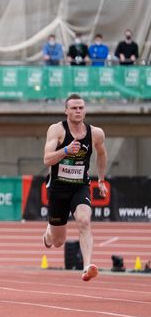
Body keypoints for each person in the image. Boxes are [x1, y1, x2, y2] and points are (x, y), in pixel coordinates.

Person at [42, 94, 107, 282]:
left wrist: (101, 180)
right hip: (58, 189)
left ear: (85, 110)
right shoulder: (57, 130)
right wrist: (66, 151)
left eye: (81, 108)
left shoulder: (96, 133)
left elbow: (102, 154)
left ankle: (87, 266)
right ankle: (48, 235)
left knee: (84, 221)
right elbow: (46, 159)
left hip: (80, 186)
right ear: (66, 111)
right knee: (57, 241)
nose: (78, 111)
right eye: (74, 108)